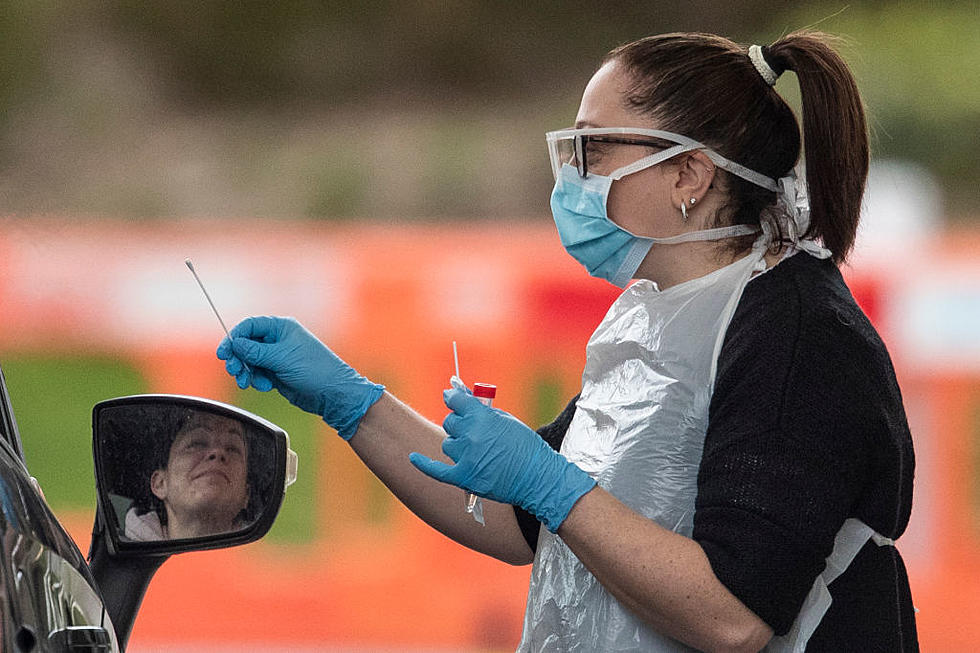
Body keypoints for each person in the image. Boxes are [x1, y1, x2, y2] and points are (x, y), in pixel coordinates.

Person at [217, 31, 917, 652]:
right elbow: (520, 520)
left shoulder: (798, 335)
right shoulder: (650, 313)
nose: (573, 178)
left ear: (689, 174)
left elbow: (733, 616)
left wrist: (550, 483)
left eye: (595, 148)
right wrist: (350, 402)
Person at [126, 410, 251, 540]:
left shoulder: (263, 556)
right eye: (197, 443)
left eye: (233, 449)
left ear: (246, 495)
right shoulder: (126, 558)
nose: (218, 452)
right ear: (160, 484)